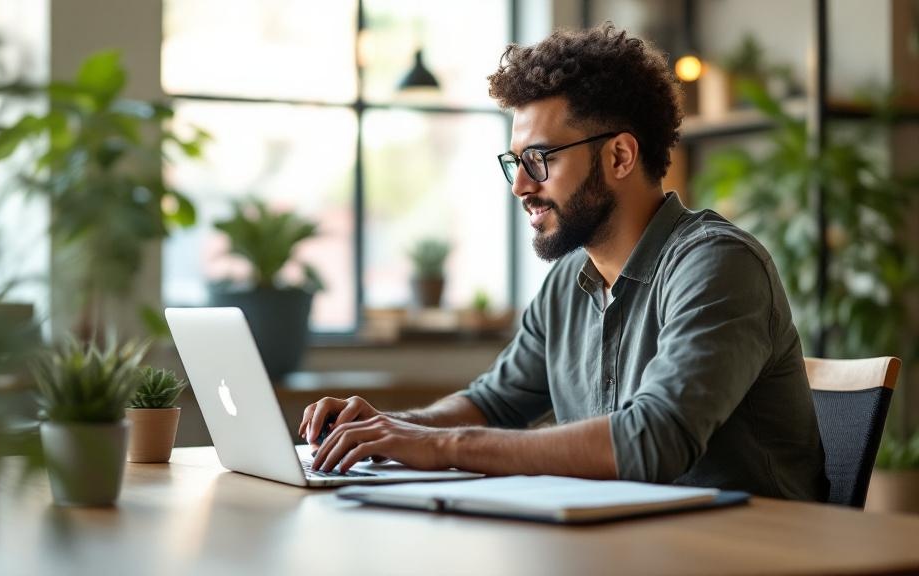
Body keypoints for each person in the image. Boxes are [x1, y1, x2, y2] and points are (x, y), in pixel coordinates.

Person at [300, 23, 828, 501]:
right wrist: (390, 429)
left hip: (749, 552)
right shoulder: (566, 285)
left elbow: (653, 441)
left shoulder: (716, 265)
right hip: (625, 548)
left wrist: (445, 445)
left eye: (539, 160)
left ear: (619, 156)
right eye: (516, 163)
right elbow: (495, 402)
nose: (522, 186)